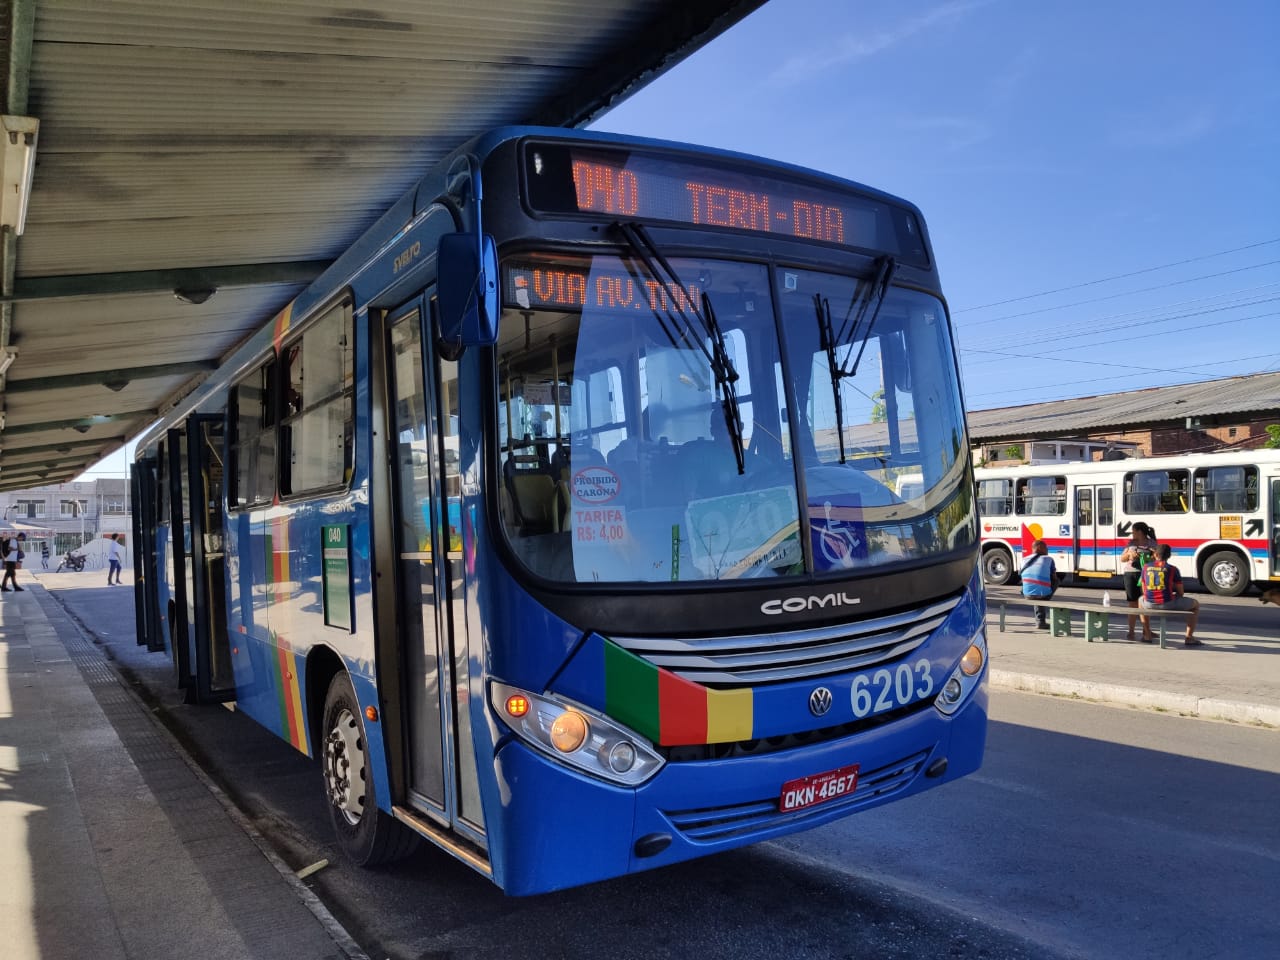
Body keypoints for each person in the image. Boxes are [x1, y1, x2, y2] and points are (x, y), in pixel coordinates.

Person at [1139, 543, 1201, 646]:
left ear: (1155, 554)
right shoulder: (1173, 569)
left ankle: (1147, 635)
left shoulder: (1145, 567)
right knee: (1195, 605)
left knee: (1140, 600)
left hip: (1149, 603)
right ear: (1169, 556)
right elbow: (1181, 592)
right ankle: (1189, 637)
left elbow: (1144, 589)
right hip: (1168, 603)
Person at [1120, 521, 1158, 642]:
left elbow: (1158, 557)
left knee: (1144, 603)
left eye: (1134, 531)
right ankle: (1131, 631)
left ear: (1140, 532)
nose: (1132, 533)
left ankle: (1146, 630)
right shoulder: (1130, 543)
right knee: (1132, 603)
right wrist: (1130, 555)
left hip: (1146, 574)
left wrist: (1150, 555)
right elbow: (1122, 558)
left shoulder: (1152, 543)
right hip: (1131, 573)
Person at [1020, 539, 1059, 629]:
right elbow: (1054, 577)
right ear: (1039, 547)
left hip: (1026, 594)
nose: (1047, 550)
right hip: (1044, 595)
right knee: (1055, 581)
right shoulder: (1049, 559)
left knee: (1033, 582)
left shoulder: (1024, 559)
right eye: (1046, 548)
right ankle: (1041, 621)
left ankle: (1040, 620)